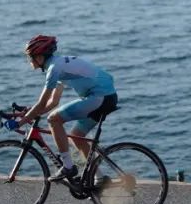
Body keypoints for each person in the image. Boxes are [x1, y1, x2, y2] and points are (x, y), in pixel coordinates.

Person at [13, 35, 118, 182]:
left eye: (31, 57)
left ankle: (68, 167)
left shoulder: (54, 69)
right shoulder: (58, 64)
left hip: (99, 97)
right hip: (105, 96)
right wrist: (31, 113)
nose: (29, 60)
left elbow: (42, 103)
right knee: (77, 136)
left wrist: (19, 123)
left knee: (53, 119)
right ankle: (99, 178)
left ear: (40, 57)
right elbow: (52, 102)